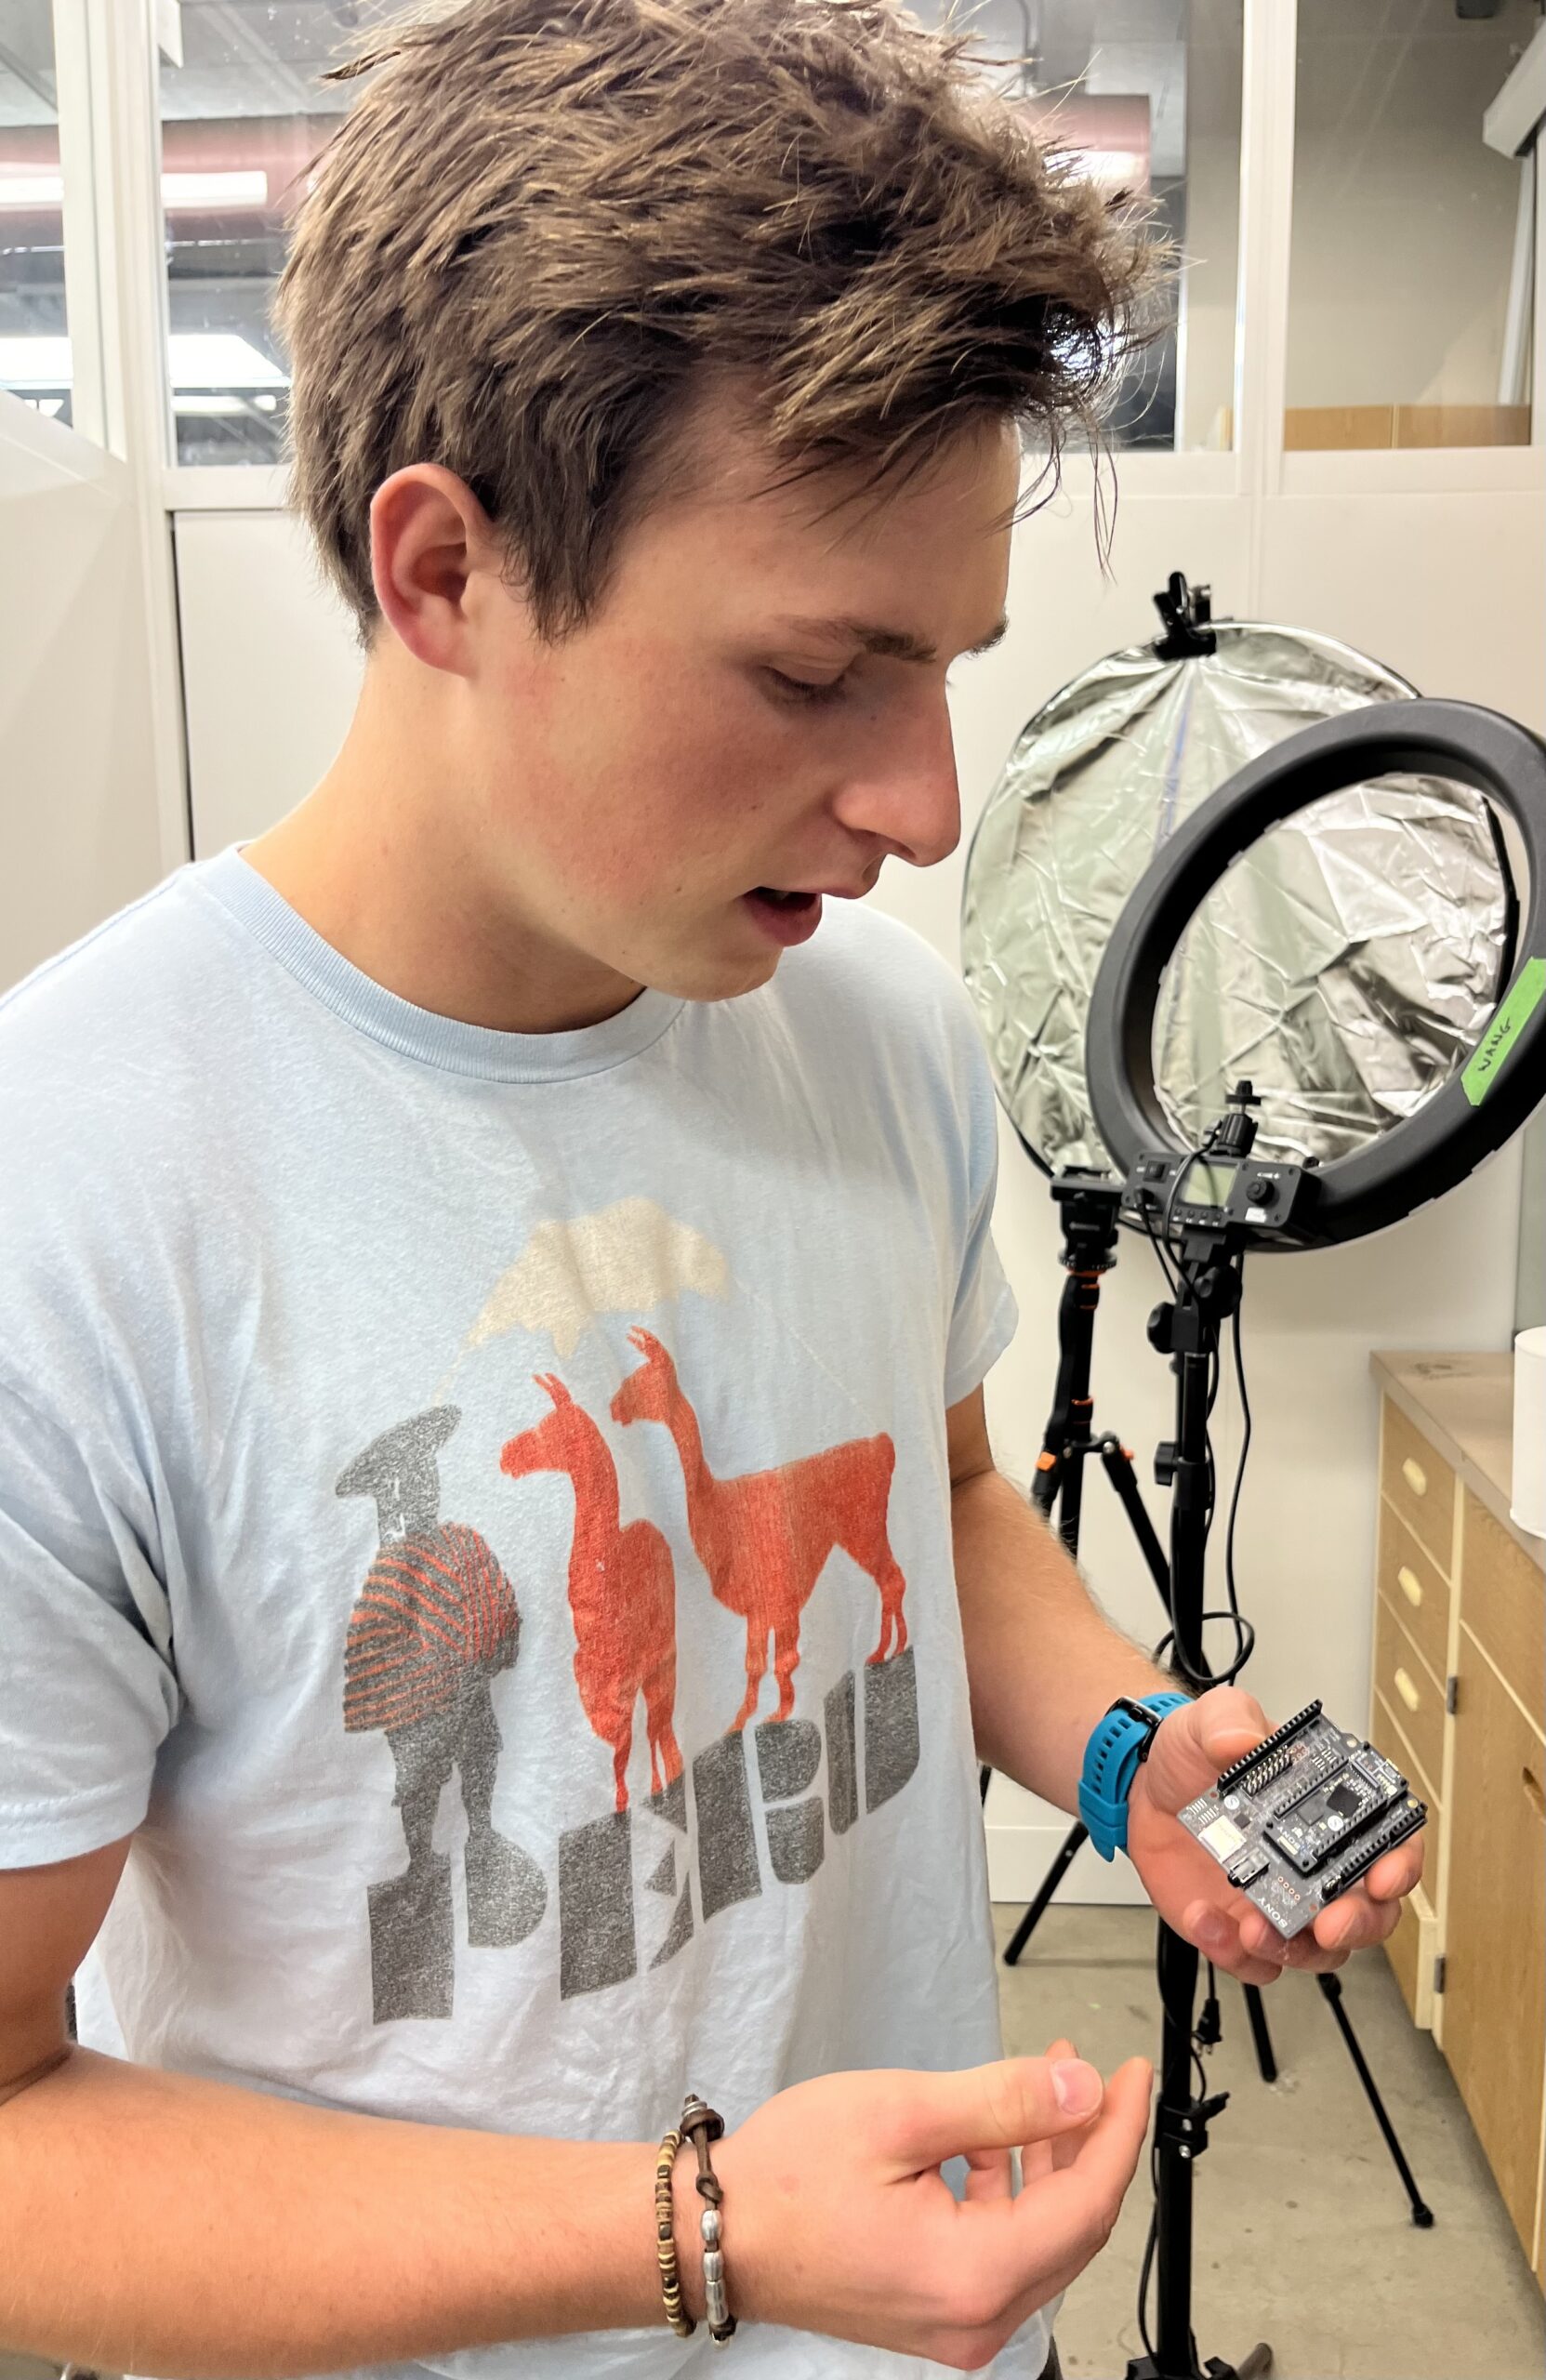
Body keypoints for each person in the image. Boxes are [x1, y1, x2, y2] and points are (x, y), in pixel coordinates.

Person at [0, 5, 1423, 2376]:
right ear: (446, 570)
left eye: (948, 664)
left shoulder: (875, 1039)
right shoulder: (69, 1193)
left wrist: (1113, 1741)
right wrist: (699, 2234)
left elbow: (934, 1488)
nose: (926, 805)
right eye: (815, 674)